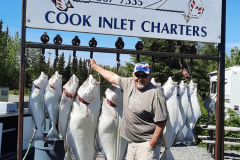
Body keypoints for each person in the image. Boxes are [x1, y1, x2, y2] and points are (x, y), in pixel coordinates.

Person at [88, 59, 168, 160]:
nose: (140, 78)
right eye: (137, 75)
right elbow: (112, 77)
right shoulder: (129, 84)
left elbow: (162, 120)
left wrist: (152, 143)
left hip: (146, 146)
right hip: (130, 144)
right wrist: (94, 66)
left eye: (144, 76)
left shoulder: (156, 94)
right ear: (133, 75)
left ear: (150, 77)